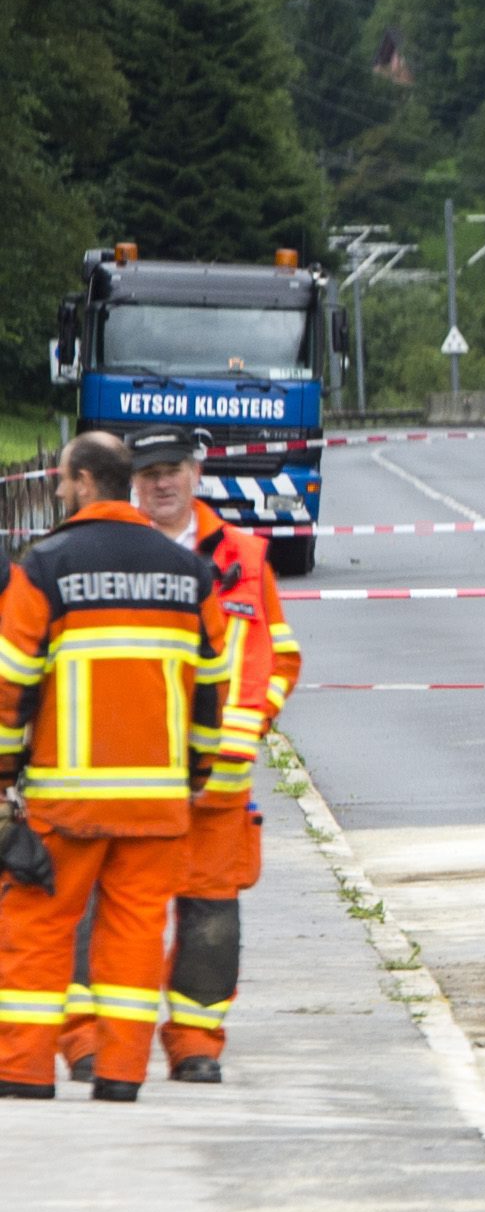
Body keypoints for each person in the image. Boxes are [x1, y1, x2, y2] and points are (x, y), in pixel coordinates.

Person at [58, 428, 297, 1084]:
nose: (161, 483)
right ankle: (90, 1043)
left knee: (209, 919)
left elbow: (278, 656)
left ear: (197, 473)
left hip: (214, 782)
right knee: (99, 913)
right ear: (130, 481)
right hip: (124, 773)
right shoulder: (107, 550)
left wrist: (248, 725)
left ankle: (196, 1043)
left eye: (173, 471)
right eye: (148, 473)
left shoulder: (244, 557)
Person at [0, 433, 228, 1103]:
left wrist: (4, 774)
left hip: (65, 799)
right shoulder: (186, 571)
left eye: (64, 481)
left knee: (37, 929)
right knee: (133, 937)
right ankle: (122, 1075)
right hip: (157, 799)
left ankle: (23, 1070)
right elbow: (211, 683)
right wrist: (196, 769)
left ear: (81, 481)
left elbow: (11, 682)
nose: (61, 490)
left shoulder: (44, 566)